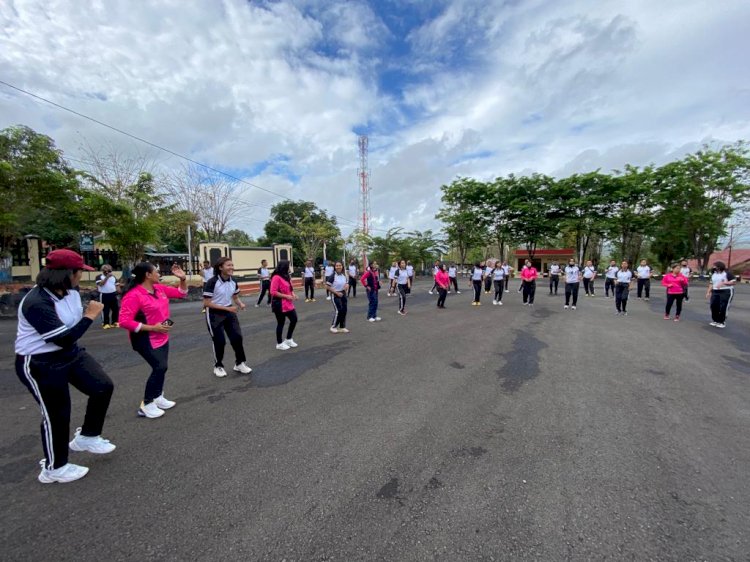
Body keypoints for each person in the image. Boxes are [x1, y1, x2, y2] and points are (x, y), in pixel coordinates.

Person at [15, 249, 115, 484]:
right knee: (56, 414)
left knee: (102, 386)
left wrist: (85, 316)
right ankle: (53, 468)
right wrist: (90, 316)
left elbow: (69, 337)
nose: (82, 276)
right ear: (68, 273)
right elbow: (62, 338)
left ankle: (88, 437)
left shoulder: (70, 291)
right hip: (40, 362)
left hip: (70, 354)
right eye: (80, 271)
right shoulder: (37, 302)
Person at [119, 262, 188, 418]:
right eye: (156, 271)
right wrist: (152, 328)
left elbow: (181, 293)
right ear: (148, 275)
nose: (159, 274)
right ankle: (147, 404)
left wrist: (183, 279)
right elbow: (124, 321)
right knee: (159, 367)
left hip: (162, 335)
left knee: (162, 367)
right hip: (145, 338)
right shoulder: (133, 295)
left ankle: (158, 396)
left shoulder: (159, 288)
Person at [203, 258, 252, 377]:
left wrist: (240, 304)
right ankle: (218, 366)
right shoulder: (212, 282)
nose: (232, 267)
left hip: (229, 311)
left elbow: (235, 297)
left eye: (232, 265)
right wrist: (228, 309)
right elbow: (206, 303)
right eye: (228, 265)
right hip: (214, 314)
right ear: (220, 267)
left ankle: (240, 363)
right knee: (219, 341)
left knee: (237, 338)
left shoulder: (233, 281)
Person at [270, 259, 299, 349]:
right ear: (285, 266)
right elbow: (273, 292)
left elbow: (290, 288)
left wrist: (293, 294)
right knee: (281, 323)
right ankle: (279, 343)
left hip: (288, 303)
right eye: (289, 265)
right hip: (279, 304)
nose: (290, 267)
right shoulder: (276, 277)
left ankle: (288, 339)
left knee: (294, 319)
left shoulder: (287, 276)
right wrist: (286, 296)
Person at [706, 260, 735, 328]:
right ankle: (715, 320)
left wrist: (724, 283)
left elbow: (733, 282)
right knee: (713, 305)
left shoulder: (727, 273)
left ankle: (722, 321)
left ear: (719, 266)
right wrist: (708, 292)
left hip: (726, 291)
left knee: (723, 306)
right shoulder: (714, 274)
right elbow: (711, 283)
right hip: (715, 291)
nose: (713, 267)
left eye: (715, 266)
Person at [326, 261, 349, 332]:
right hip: (335, 295)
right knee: (339, 310)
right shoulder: (332, 276)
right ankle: (333, 326)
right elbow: (327, 286)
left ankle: (342, 327)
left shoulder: (343, 275)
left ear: (342, 267)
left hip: (343, 294)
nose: (338, 267)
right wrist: (336, 293)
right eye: (337, 266)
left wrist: (347, 286)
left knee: (344, 310)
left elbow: (347, 283)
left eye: (340, 265)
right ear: (335, 267)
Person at [96, 264, 120, 329]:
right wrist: (107, 277)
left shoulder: (113, 277)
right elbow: (101, 284)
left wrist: (119, 291)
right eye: (106, 269)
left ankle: (114, 322)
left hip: (113, 294)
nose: (108, 271)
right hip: (104, 295)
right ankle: (105, 323)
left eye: (109, 270)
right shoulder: (99, 277)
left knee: (115, 309)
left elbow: (117, 285)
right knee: (105, 310)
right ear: (103, 270)